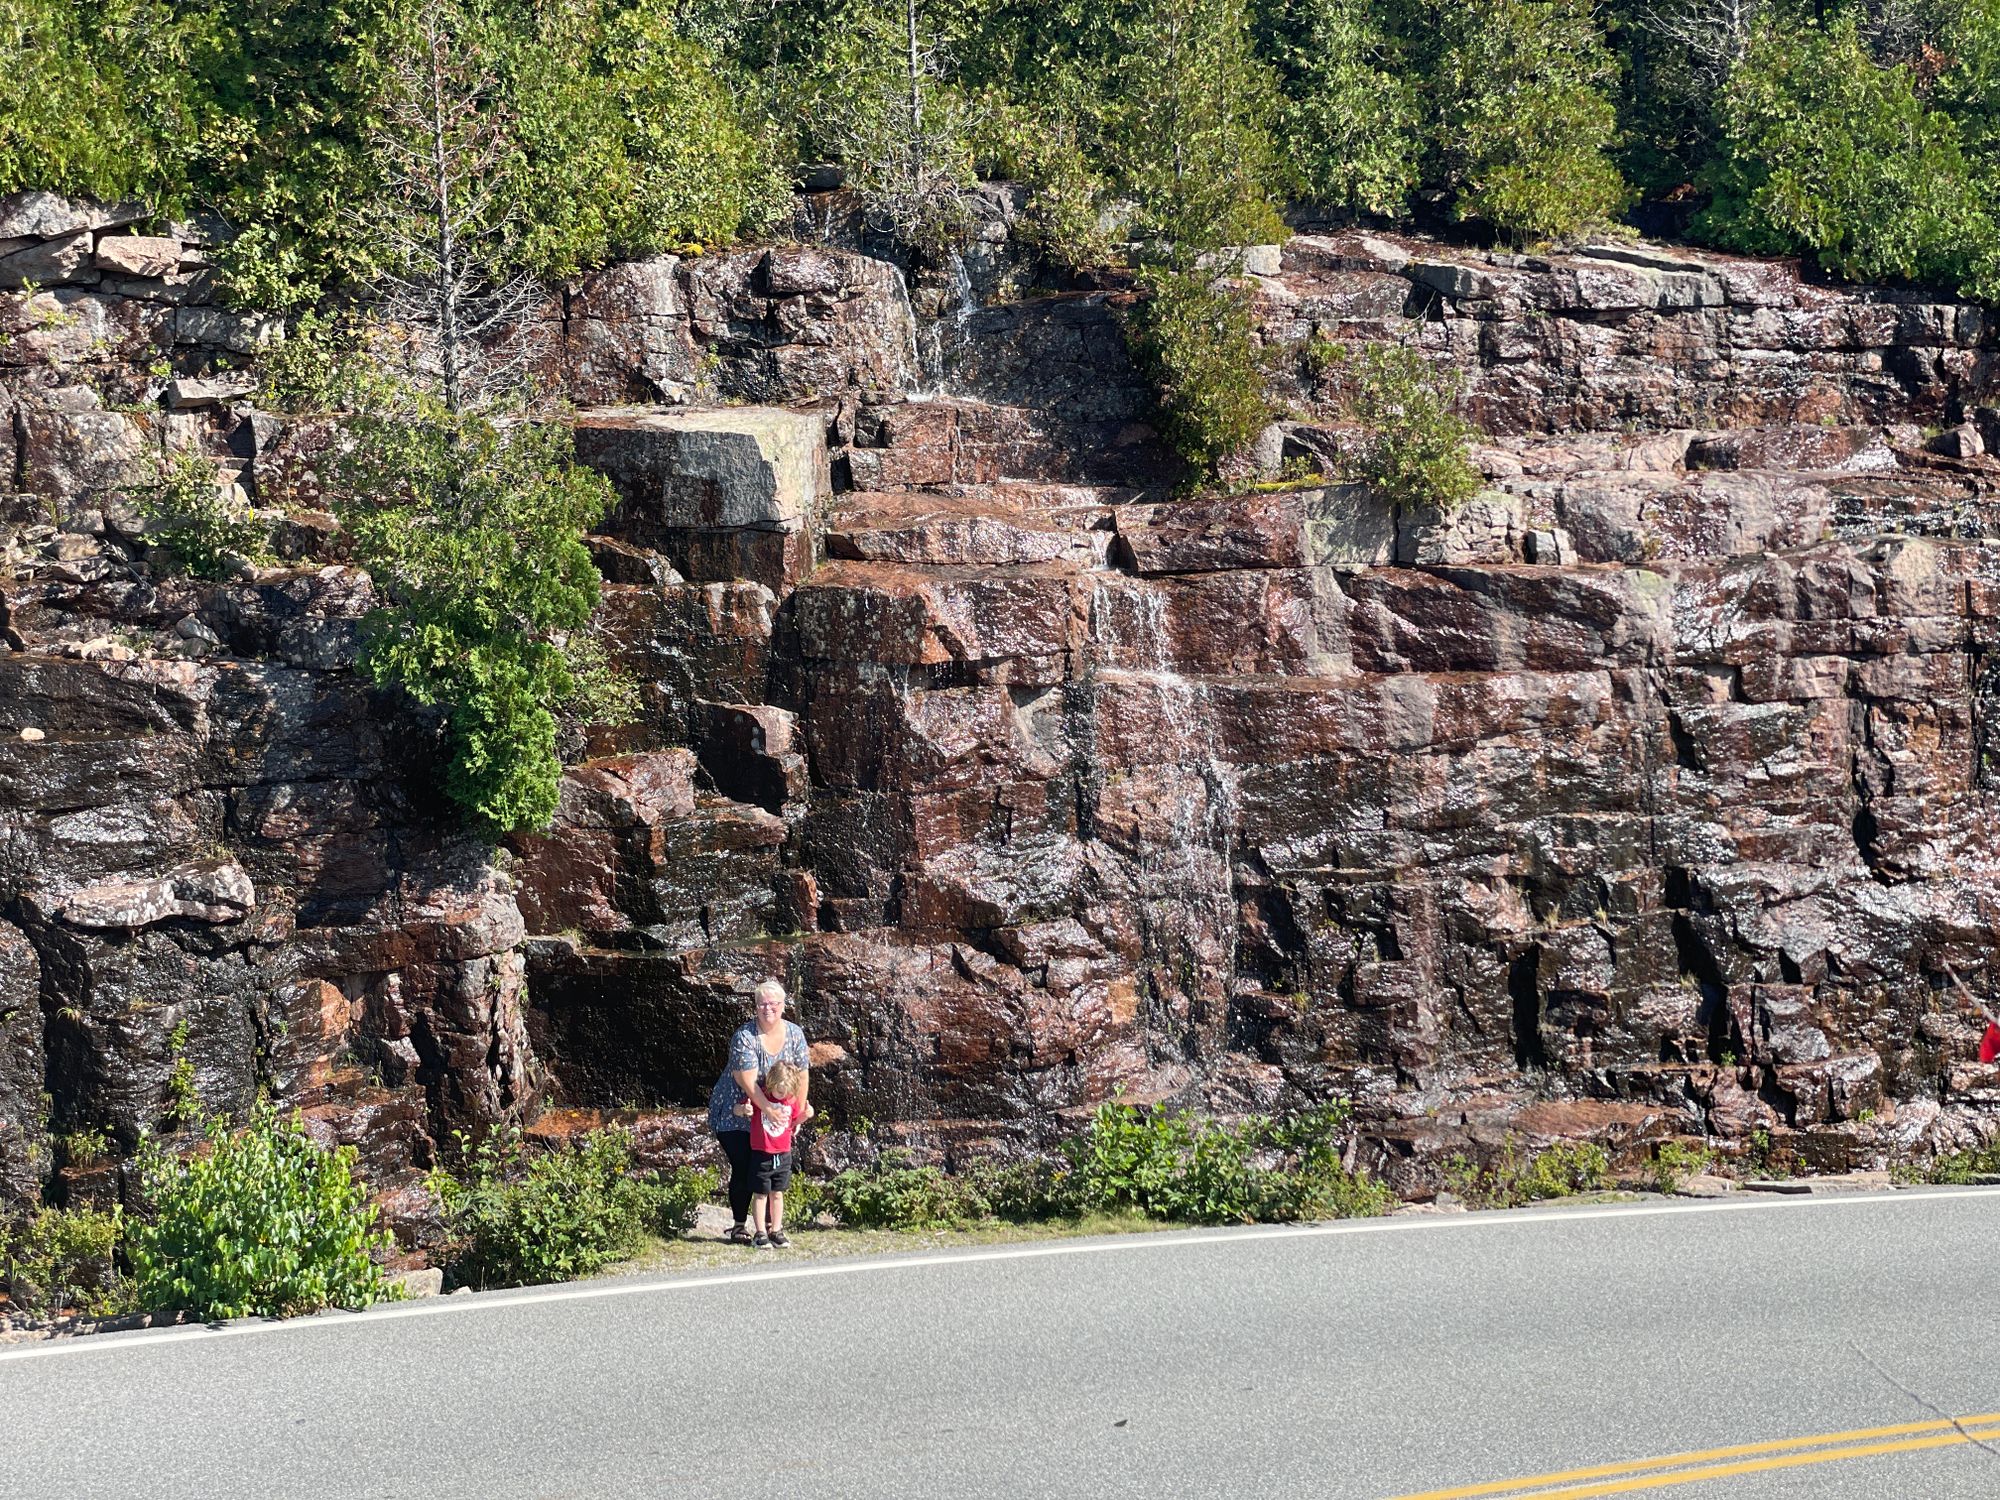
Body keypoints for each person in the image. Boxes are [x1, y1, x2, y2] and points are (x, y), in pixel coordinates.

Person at [707, 978, 812, 1245]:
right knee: (744, 1166)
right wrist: (772, 1111)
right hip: (737, 1110)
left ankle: (769, 1228)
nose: (768, 1008)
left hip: (772, 1114)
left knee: (768, 1167)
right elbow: (749, 1082)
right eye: (762, 1004)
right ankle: (740, 1225)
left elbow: (802, 1074)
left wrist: (796, 1113)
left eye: (773, 1003)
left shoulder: (795, 1034)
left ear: (783, 1006)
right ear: (756, 1007)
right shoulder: (745, 1036)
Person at [747, 1060, 805, 1248]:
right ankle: (760, 1232)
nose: (782, 1096)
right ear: (771, 1083)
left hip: (783, 1153)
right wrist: (743, 1109)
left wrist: (807, 1115)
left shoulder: (790, 1100)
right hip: (762, 1152)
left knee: (777, 1193)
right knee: (761, 1194)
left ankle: (776, 1230)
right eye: (780, 1091)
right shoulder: (761, 1098)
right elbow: (741, 1108)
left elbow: (794, 1120)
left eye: (786, 1092)